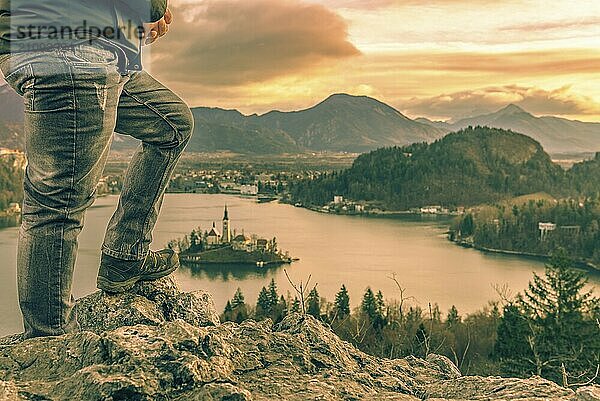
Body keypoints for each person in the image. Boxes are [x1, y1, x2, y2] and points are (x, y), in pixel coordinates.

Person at [0, 0, 193, 338]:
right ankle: (49, 339)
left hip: (84, 47)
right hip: (69, 51)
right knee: (57, 205)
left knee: (172, 125)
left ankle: (124, 255)